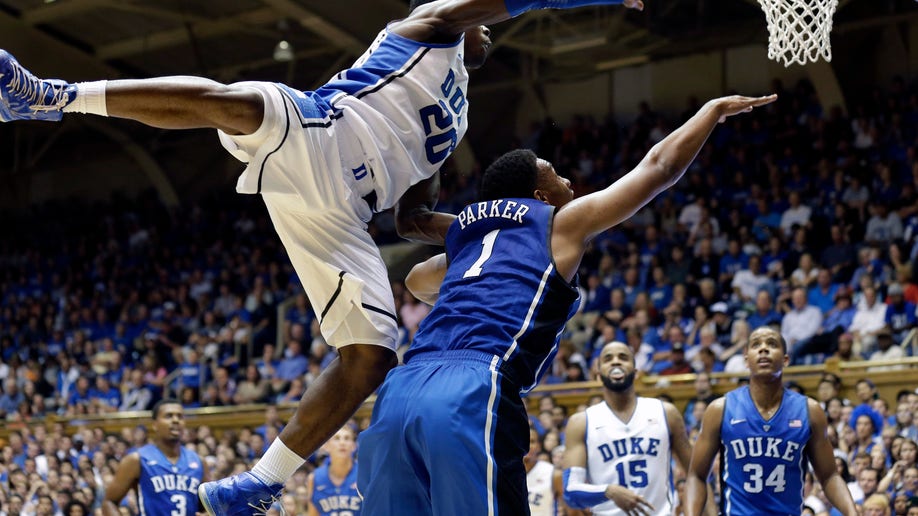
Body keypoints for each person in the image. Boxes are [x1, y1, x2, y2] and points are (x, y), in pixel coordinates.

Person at [0, 0, 645, 512]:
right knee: (242, 105)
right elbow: (495, 5)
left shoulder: (460, 116)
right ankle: (51, 95)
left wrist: (495, 233)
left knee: (373, 354)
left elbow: (412, 218)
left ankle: (260, 481)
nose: (488, 31)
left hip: (342, 215)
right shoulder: (425, 28)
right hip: (321, 135)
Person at [356, 93, 776, 514]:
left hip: (400, 388)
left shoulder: (467, 243)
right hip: (470, 387)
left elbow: (416, 280)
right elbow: (659, 168)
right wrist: (711, 112)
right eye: (557, 176)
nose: (570, 184)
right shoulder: (559, 224)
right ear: (540, 197)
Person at [684, 327, 858, 515]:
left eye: (772, 344)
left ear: (785, 360)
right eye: (756, 344)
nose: (763, 349)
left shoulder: (810, 411)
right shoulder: (720, 409)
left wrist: (852, 513)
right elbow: (696, 476)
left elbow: (829, 476)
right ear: (746, 359)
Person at [562, 341, 716, 515]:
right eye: (608, 359)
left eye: (623, 357)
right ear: (598, 375)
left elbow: (696, 475)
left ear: (636, 372)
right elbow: (570, 492)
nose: (615, 362)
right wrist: (609, 491)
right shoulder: (581, 422)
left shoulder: (665, 413)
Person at [102, 399, 209, 516]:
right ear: (155, 424)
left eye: (180, 416)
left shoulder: (199, 461)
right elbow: (109, 502)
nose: (175, 420)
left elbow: (212, 504)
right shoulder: (136, 459)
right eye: (169, 416)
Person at [305, 426, 362, 516]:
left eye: (347, 438)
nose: (342, 443)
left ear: (354, 446)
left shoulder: (364, 474)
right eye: (337, 438)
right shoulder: (314, 478)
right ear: (326, 446)